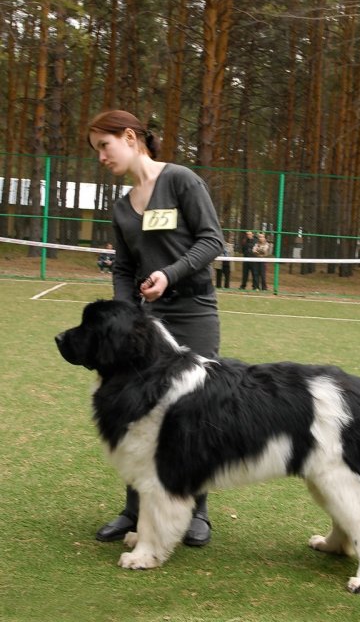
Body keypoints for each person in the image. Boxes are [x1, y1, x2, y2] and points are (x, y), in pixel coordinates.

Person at [87, 109, 224, 548]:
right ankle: (135, 512)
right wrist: (127, 318)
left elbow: (211, 240)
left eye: (104, 146)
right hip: (145, 325)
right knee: (136, 411)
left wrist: (169, 274)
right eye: (97, 151)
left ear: (130, 137)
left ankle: (196, 512)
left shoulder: (181, 180)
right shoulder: (121, 206)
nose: (101, 157)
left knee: (193, 414)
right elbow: (124, 268)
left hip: (194, 312)